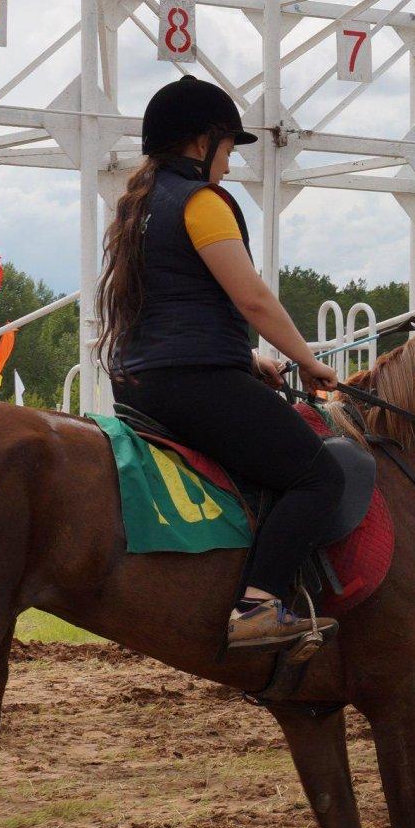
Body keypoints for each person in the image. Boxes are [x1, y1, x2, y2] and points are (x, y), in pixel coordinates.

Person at [101, 75, 344, 652]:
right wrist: (306, 361)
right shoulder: (202, 203)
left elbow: (173, 307)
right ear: (201, 142)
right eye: (229, 149)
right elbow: (252, 297)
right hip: (193, 384)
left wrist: (247, 358)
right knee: (319, 475)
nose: (230, 165)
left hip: (141, 383)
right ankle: (259, 603)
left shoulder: (138, 205)